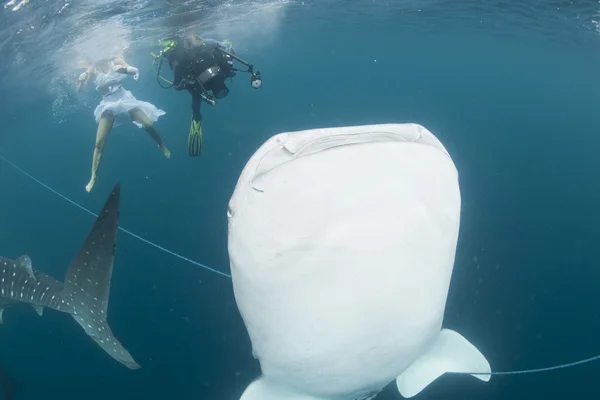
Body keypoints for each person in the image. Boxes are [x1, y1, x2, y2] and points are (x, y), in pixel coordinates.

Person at [153, 32, 262, 156]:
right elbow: (228, 53)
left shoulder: (201, 51)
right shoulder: (209, 45)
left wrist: (187, 83)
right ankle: (196, 118)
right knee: (196, 94)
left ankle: (196, 119)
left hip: (200, 85)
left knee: (196, 96)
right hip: (202, 82)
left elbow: (177, 85)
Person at [77, 56, 171, 193]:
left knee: (148, 125)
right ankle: (93, 176)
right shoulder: (91, 68)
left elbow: (135, 71)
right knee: (99, 143)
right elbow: (81, 90)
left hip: (124, 98)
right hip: (108, 103)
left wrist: (124, 70)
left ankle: (161, 145)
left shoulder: (115, 60)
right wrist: (81, 81)